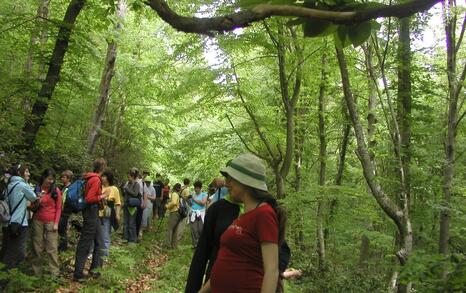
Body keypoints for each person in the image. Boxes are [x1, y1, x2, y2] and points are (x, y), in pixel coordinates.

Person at [198, 153, 286, 293]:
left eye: (231, 179)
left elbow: (271, 270)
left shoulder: (264, 215)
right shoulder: (244, 215)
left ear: (245, 182)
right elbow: (228, 259)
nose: (227, 184)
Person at [73, 158, 109, 282]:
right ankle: (78, 273)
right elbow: (89, 198)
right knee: (86, 242)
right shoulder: (95, 179)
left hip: (93, 213)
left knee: (99, 241)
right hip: (91, 212)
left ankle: (95, 270)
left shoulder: (89, 178)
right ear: (102, 168)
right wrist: (103, 196)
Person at [1, 164, 36, 269]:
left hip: (7, 222)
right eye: (26, 171)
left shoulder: (8, 185)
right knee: (18, 253)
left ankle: (5, 275)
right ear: (19, 173)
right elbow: (33, 197)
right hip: (19, 223)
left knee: (6, 249)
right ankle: (6, 279)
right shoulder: (22, 185)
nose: (28, 174)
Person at [31, 168, 62, 276]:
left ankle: (54, 274)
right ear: (44, 177)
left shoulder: (55, 191)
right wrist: (37, 200)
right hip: (37, 220)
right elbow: (30, 206)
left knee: (52, 248)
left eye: (53, 179)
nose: (51, 181)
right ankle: (37, 273)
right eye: (49, 179)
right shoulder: (37, 188)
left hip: (51, 222)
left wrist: (56, 223)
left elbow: (59, 208)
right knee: (37, 247)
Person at [99, 170, 121, 256]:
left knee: (105, 235)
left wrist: (117, 214)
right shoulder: (99, 186)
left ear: (108, 178)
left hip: (107, 214)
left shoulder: (114, 189)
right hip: (97, 213)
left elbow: (118, 203)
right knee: (96, 234)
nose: (102, 178)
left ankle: (105, 255)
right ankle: (93, 253)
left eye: (104, 176)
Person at [123, 168, 141, 243]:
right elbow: (124, 194)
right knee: (126, 223)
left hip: (133, 206)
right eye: (128, 177)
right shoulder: (128, 184)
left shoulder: (137, 184)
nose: (128, 178)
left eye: (129, 177)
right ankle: (125, 238)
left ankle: (132, 240)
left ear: (133, 177)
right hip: (126, 205)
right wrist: (123, 189)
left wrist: (127, 189)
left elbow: (135, 194)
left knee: (131, 223)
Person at [58, 170, 73, 252]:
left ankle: (63, 249)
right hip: (63, 212)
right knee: (62, 230)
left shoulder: (69, 188)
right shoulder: (64, 188)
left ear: (69, 178)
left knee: (64, 231)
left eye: (64, 177)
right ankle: (62, 247)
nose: (62, 178)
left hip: (66, 212)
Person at [189, 180, 207, 248]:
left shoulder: (204, 194)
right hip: (193, 212)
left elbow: (203, 203)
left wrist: (194, 199)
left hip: (201, 213)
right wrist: (188, 199)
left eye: (198, 188)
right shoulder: (193, 194)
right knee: (193, 229)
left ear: (200, 188)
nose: (196, 189)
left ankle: (201, 244)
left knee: (200, 229)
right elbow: (191, 204)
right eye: (195, 188)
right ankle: (195, 244)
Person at [165, 183, 182, 249]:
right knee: (175, 229)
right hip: (177, 213)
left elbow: (174, 202)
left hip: (174, 212)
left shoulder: (174, 194)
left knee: (170, 228)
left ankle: (167, 244)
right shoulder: (177, 194)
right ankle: (174, 245)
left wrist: (167, 206)